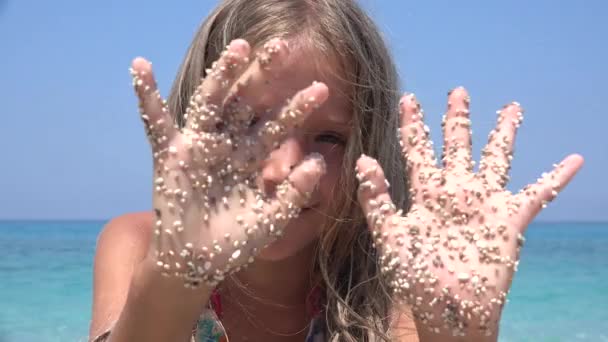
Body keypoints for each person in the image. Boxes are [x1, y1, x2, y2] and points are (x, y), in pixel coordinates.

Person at [89, 0, 584, 341]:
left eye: (328, 138)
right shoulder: (137, 244)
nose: (286, 169)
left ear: (368, 145)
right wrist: (178, 278)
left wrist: (457, 334)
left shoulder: (394, 280)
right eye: (250, 126)